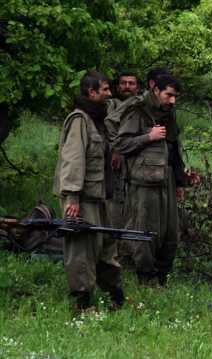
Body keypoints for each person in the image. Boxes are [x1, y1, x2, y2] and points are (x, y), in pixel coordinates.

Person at [53, 70, 124, 311]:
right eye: (104, 89)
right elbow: (73, 160)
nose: (109, 93)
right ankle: (81, 304)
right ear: (91, 92)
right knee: (82, 249)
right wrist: (72, 197)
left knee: (105, 245)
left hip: (99, 195)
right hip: (81, 198)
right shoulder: (79, 120)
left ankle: (115, 296)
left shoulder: (97, 120)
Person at [114, 74, 188, 286]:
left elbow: (174, 149)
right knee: (144, 232)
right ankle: (146, 278)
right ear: (156, 90)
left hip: (167, 180)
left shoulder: (168, 113)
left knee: (170, 233)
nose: (173, 100)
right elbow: (121, 144)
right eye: (169, 95)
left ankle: (162, 277)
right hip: (143, 184)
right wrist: (148, 137)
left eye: (176, 97)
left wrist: (180, 181)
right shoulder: (137, 111)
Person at [104, 71, 141, 266]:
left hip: (138, 165)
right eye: (124, 83)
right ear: (118, 87)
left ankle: (131, 253)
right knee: (115, 208)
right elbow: (109, 124)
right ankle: (115, 253)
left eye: (131, 83)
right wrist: (117, 148)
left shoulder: (142, 105)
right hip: (116, 166)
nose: (127, 86)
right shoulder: (111, 105)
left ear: (138, 87)